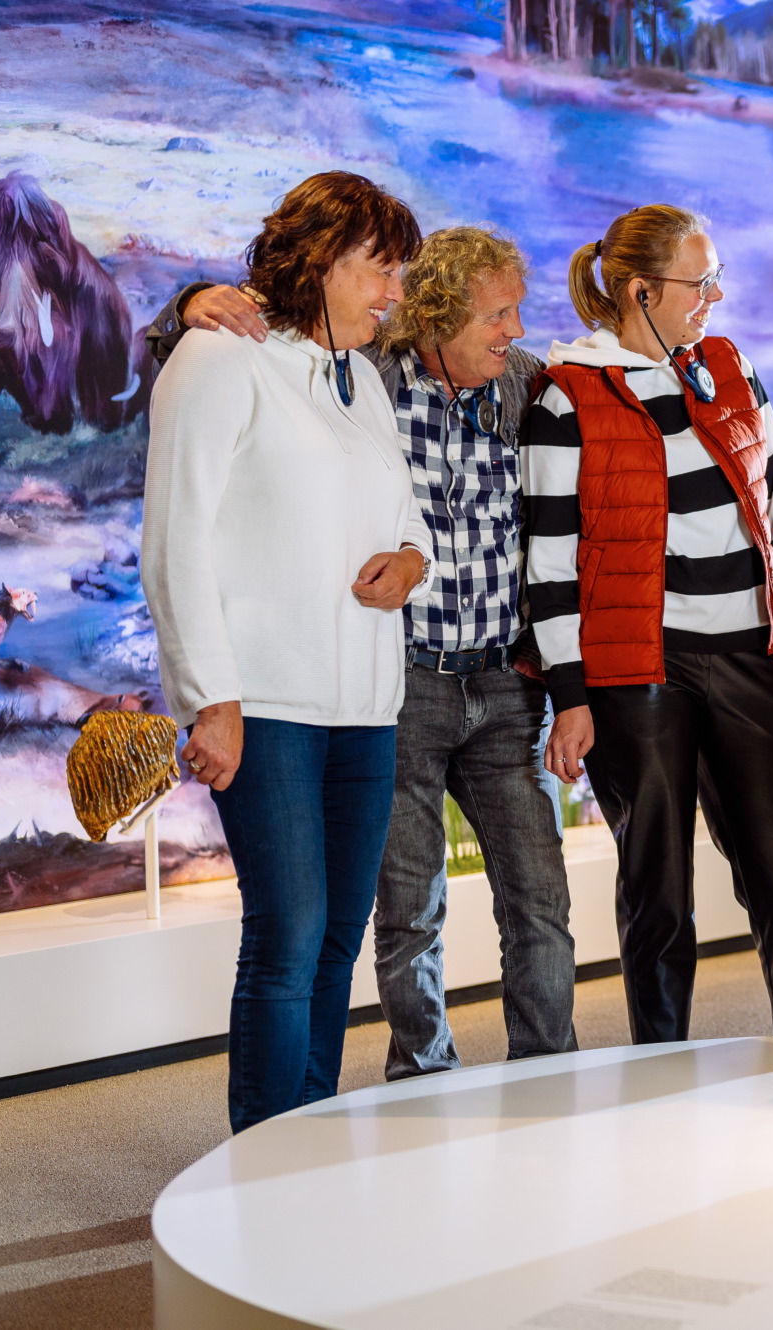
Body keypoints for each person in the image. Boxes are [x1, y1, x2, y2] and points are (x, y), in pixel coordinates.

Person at [147, 228, 581, 1081]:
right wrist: (184, 304)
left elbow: (436, 512)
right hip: (402, 682)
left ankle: (548, 1074)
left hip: (494, 680)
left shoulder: (527, 383)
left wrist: (569, 681)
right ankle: (416, 1080)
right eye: (496, 314)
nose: (513, 331)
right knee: (393, 910)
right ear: (441, 315)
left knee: (536, 898)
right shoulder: (368, 367)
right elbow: (237, 350)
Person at [142, 172, 430, 1132]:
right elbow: (175, 537)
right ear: (321, 257)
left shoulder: (367, 379)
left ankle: (307, 1144)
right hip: (265, 701)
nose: (395, 292)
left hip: (365, 707)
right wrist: (207, 694)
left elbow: (402, 515)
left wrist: (411, 559)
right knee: (288, 935)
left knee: (339, 940)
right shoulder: (220, 357)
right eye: (381, 268)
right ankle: (257, 1170)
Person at [524, 204, 773, 1044]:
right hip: (640, 671)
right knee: (658, 890)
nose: (716, 298)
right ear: (642, 291)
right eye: (701, 284)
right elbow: (549, 564)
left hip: (749, 658)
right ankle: (658, 1072)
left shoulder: (730, 368)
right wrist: (571, 694)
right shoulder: (569, 396)